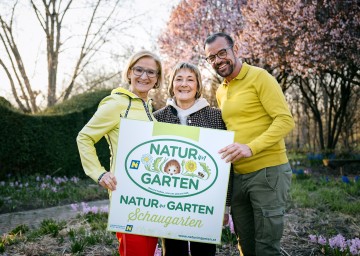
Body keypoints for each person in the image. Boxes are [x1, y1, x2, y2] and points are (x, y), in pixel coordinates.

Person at [204, 32, 295, 256]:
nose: (218, 60)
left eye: (222, 52)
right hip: (238, 177)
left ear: (235, 49)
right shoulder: (220, 90)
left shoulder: (259, 77)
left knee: (266, 247)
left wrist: (250, 147)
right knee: (246, 244)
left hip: (267, 173)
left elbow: (285, 120)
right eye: (211, 57)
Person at [77, 50, 163, 256]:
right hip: (128, 196)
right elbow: (84, 137)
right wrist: (99, 173)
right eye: (139, 70)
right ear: (129, 73)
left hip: (150, 196)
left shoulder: (150, 109)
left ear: (158, 78)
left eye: (151, 72)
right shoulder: (116, 104)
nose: (144, 76)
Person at [153, 62, 232, 256]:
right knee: (173, 252)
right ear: (172, 85)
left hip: (205, 202)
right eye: (178, 79)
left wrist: (225, 206)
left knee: (204, 252)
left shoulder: (215, 118)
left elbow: (225, 165)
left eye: (190, 79)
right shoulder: (157, 118)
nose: (184, 84)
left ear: (198, 85)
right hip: (168, 204)